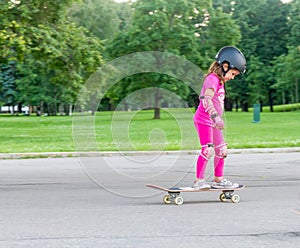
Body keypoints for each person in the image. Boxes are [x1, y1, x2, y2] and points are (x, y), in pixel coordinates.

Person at [193, 46, 246, 189]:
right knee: (208, 150)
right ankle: (199, 181)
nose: (232, 77)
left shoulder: (220, 81)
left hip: (214, 122)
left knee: (222, 150)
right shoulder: (212, 79)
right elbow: (206, 99)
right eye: (233, 74)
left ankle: (218, 179)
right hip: (204, 120)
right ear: (225, 66)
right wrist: (215, 116)